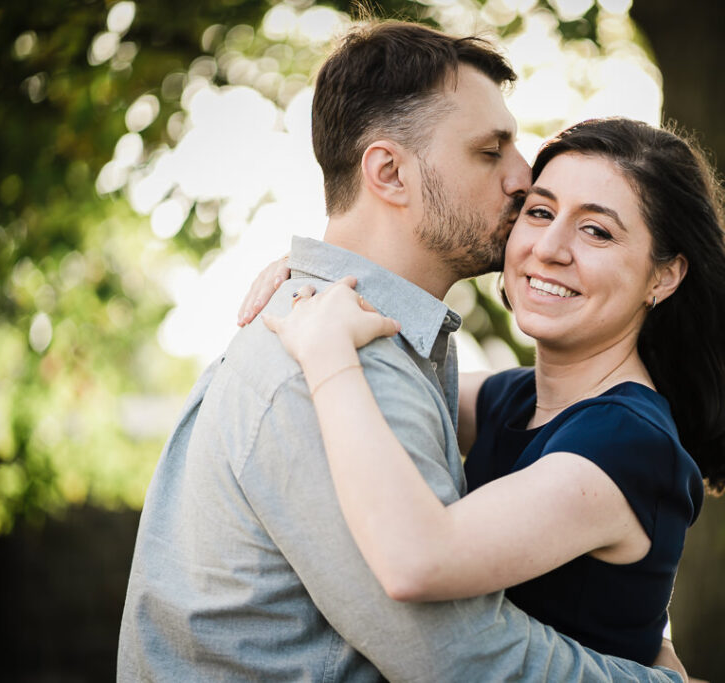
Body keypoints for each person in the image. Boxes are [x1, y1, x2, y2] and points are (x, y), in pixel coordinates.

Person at [118, 20, 690, 682]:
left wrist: (642, 629)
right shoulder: (334, 360)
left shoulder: (374, 341)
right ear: (389, 173)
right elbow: (454, 656)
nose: (522, 178)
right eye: (490, 152)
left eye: (596, 230)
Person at [260, 118, 725, 668]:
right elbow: (394, 378)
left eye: (596, 231)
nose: (550, 248)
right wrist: (316, 275)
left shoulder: (628, 443)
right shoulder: (517, 399)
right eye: (540, 212)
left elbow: (417, 560)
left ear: (664, 276)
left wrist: (328, 353)